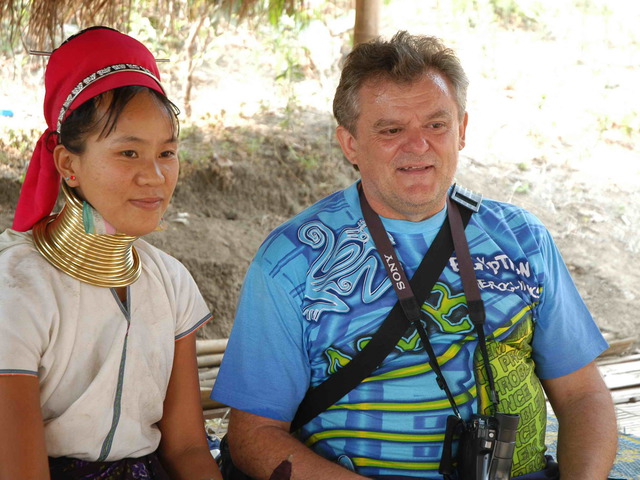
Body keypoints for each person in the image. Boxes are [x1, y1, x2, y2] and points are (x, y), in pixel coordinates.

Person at [211, 31, 618, 480]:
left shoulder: (522, 238)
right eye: (391, 130)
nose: (418, 145)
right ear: (350, 144)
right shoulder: (292, 259)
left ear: (461, 130)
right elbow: (254, 433)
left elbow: (583, 396)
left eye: (436, 125)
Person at [0, 26, 222, 480]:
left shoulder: (170, 282)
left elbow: (187, 449)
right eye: (128, 153)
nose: (155, 176)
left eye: (167, 152)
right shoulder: (16, 287)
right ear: (68, 164)